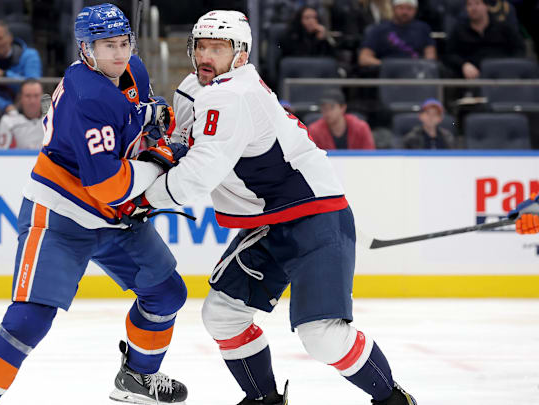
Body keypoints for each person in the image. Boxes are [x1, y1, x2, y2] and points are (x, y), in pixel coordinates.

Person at [132, 10, 417, 405]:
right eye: (201, 46)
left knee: (323, 336)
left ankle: (394, 401)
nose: (206, 57)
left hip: (314, 216)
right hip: (272, 220)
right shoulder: (195, 89)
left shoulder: (231, 95)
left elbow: (197, 175)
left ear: (241, 55)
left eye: (218, 47)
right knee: (222, 314)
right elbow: (182, 146)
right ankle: (264, 399)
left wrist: (142, 197)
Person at [0, 4, 188, 404]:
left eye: (124, 43)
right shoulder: (87, 96)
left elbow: (134, 118)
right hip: (61, 216)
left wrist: (153, 117)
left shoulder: (132, 71)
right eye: (107, 45)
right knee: (27, 322)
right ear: (85, 48)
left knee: (166, 292)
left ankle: (137, 378)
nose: (119, 53)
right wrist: (157, 161)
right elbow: (108, 186)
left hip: (112, 218)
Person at [0, 21, 42, 148]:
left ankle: (39, 150)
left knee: (42, 103)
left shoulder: (30, 56)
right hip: (2, 106)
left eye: (0, 38)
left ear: (10, 38)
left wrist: (2, 75)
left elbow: (33, 84)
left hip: (25, 102)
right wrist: (7, 106)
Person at [444, 0, 525, 80]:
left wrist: (509, 66)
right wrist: (463, 65)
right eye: (469, 4)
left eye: (477, 3)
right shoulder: (459, 30)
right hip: (472, 76)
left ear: (486, 6)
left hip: (502, 75)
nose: (473, 8)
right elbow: (450, 54)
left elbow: (519, 49)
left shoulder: (504, 28)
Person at [358, 0, 436, 67]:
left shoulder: (423, 28)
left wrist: (422, 66)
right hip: (386, 74)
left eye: (409, 9)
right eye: (401, 8)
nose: (405, 12)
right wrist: (387, 66)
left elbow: (430, 56)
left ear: (415, 10)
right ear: (393, 8)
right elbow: (364, 58)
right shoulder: (378, 29)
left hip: (416, 72)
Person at [308, 89, 375, 150]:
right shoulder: (314, 130)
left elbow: (370, 155)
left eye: (331, 107)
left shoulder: (361, 128)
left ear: (343, 108)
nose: (327, 112)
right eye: (324, 108)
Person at [0, 79, 45, 149]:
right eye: (28, 96)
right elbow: (2, 154)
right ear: (21, 98)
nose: (32, 101)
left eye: (36, 96)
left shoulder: (53, 120)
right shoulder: (8, 121)